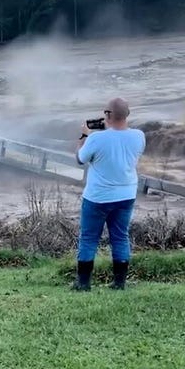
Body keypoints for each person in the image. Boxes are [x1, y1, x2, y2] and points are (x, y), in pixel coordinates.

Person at [72, 97, 145, 291]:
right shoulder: (139, 136)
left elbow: (80, 159)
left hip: (98, 197)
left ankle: (83, 283)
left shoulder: (96, 138)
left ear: (108, 115)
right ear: (127, 115)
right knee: (120, 237)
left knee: (89, 238)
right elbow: (124, 150)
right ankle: (119, 283)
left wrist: (84, 136)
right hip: (127, 195)